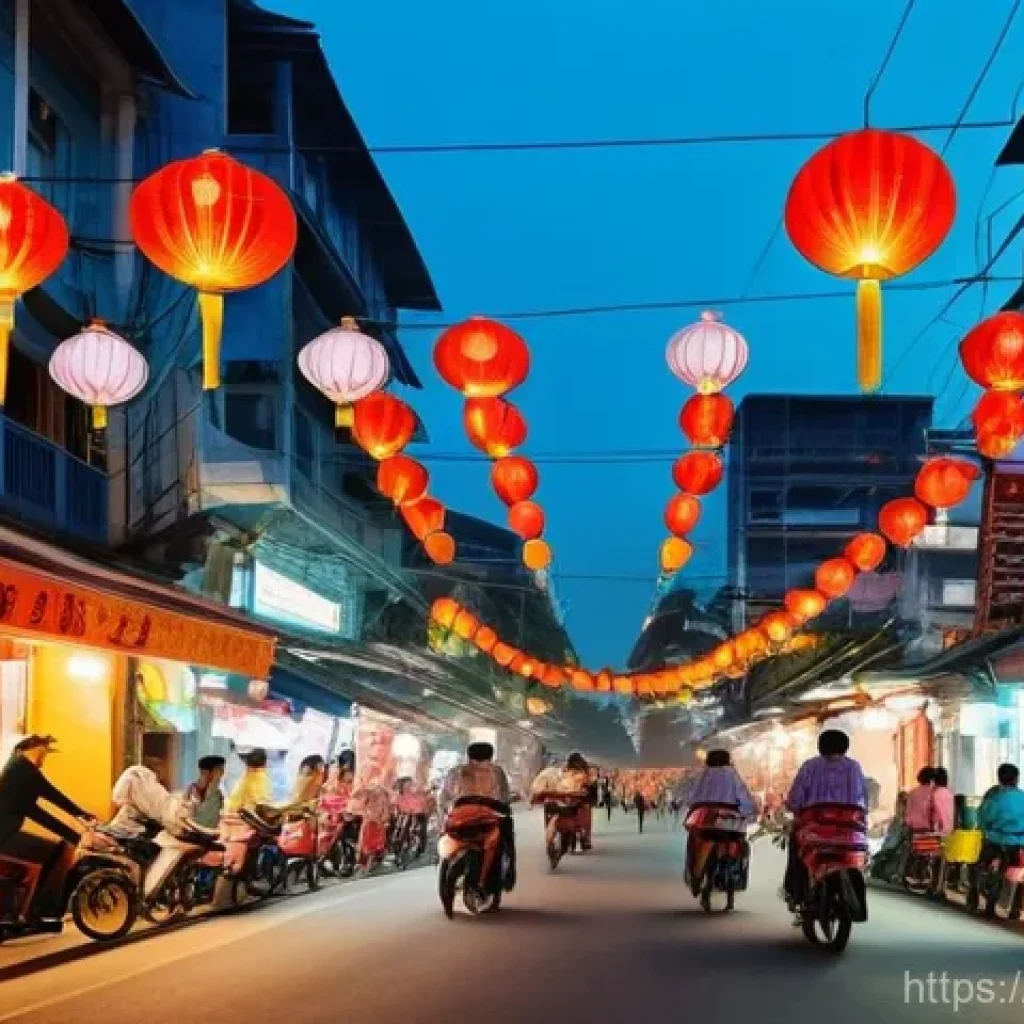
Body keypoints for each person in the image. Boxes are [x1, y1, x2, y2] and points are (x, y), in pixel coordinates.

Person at [0, 735, 93, 927]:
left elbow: (38, 808)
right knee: (49, 854)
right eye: (43, 752)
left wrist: (80, 818)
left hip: (7, 833)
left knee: (52, 850)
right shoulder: (22, 770)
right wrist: (77, 829)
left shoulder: (19, 769)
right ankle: (30, 914)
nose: (43, 759)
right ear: (29, 749)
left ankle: (26, 913)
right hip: (4, 835)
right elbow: (50, 795)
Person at [784, 729, 867, 907]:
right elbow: (862, 798)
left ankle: (797, 893)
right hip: (848, 831)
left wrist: (793, 806)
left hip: (814, 830)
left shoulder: (810, 766)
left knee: (796, 849)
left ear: (820, 746)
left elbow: (795, 798)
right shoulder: (854, 767)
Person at [440, 742, 515, 888]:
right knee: (506, 841)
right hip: (488, 818)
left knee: (446, 833)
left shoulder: (456, 772)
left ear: (469, 756)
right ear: (491, 756)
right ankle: (508, 876)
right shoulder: (496, 772)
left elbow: (445, 796)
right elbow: (504, 797)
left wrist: (446, 810)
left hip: (460, 817)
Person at [971, 763, 1024, 917]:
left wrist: (983, 829)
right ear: (1016, 779)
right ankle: (1015, 907)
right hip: (1018, 844)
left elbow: (983, 818)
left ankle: (974, 898)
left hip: (995, 841)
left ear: (999, 778)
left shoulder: (994, 797)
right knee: (1019, 873)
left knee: (978, 867)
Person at [530, 752, 593, 849]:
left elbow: (537, 791)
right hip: (568, 800)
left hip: (555, 800)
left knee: (551, 816)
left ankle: (583, 837)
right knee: (586, 809)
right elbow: (584, 787)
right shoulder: (580, 772)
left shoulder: (552, 772)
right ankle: (585, 837)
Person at [225, 748, 273, 813]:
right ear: (265, 764)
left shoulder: (248, 779)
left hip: (245, 814)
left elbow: (234, 805)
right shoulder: (264, 780)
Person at [186, 756, 226, 829]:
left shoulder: (217, 793)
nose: (222, 773)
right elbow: (204, 823)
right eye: (220, 770)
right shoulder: (194, 790)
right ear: (206, 772)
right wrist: (213, 787)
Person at [904, 766, 937, 832]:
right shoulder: (934, 793)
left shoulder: (912, 793)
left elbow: (908, 813)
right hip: (929, 831)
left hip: (912, 830)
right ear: (932, 779)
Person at [932, 767, 955, 836]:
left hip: (938, 832)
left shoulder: (934, 794)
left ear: (934, 780)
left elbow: (934, 815)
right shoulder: (950, 794)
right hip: (950, 832)